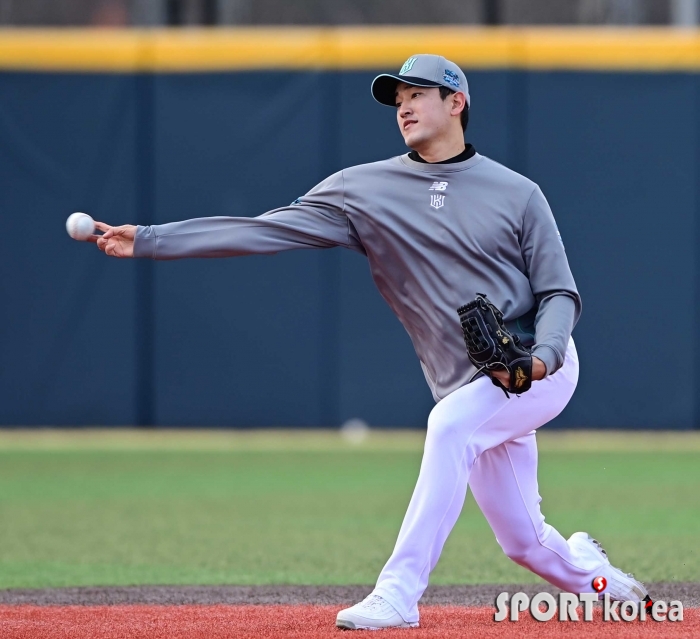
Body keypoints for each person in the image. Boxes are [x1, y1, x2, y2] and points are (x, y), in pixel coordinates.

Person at [92, 54, 649, 630]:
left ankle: (398, 595)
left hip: (538, 368)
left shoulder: (518, 193)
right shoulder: (363, 190)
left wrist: (545, 357)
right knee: (525, 544)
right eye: (397, 97)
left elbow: (559, 291)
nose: (404, 105)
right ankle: (602, 580)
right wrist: (154, 239)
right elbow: (266, 229)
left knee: (449, 428)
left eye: (418, 93)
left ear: (456, 102)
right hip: (467, 383)